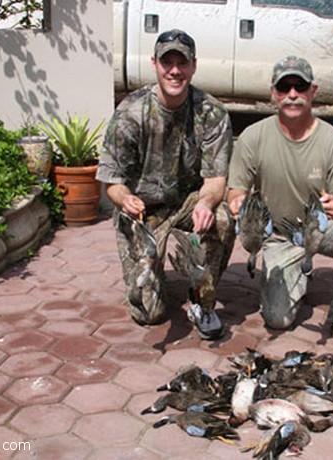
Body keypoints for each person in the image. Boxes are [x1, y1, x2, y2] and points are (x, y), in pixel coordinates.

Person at [227, 56, 333, 356]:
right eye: (284, 87)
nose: (292, 94)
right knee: (277, 319)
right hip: (280, 236)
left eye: (300, 86)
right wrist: (237, 202)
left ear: (313, 91)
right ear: (273, 93)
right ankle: (295, 280)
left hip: (320, 228)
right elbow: (235, 188)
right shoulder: (253, 137)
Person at [97, 29, 235, 339]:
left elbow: (215, 179)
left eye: (182, 63)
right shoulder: (130, 112)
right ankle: (153, 273)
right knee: (150, 314)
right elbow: (113, 182)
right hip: (143, 210)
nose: (174, 70)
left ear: (193, 66)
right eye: (166, 62)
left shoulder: (211, 113)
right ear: (154, 64)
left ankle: (201, 296)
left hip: (187, 201)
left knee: (224, 219)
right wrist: (125, 200)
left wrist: (205, 202)